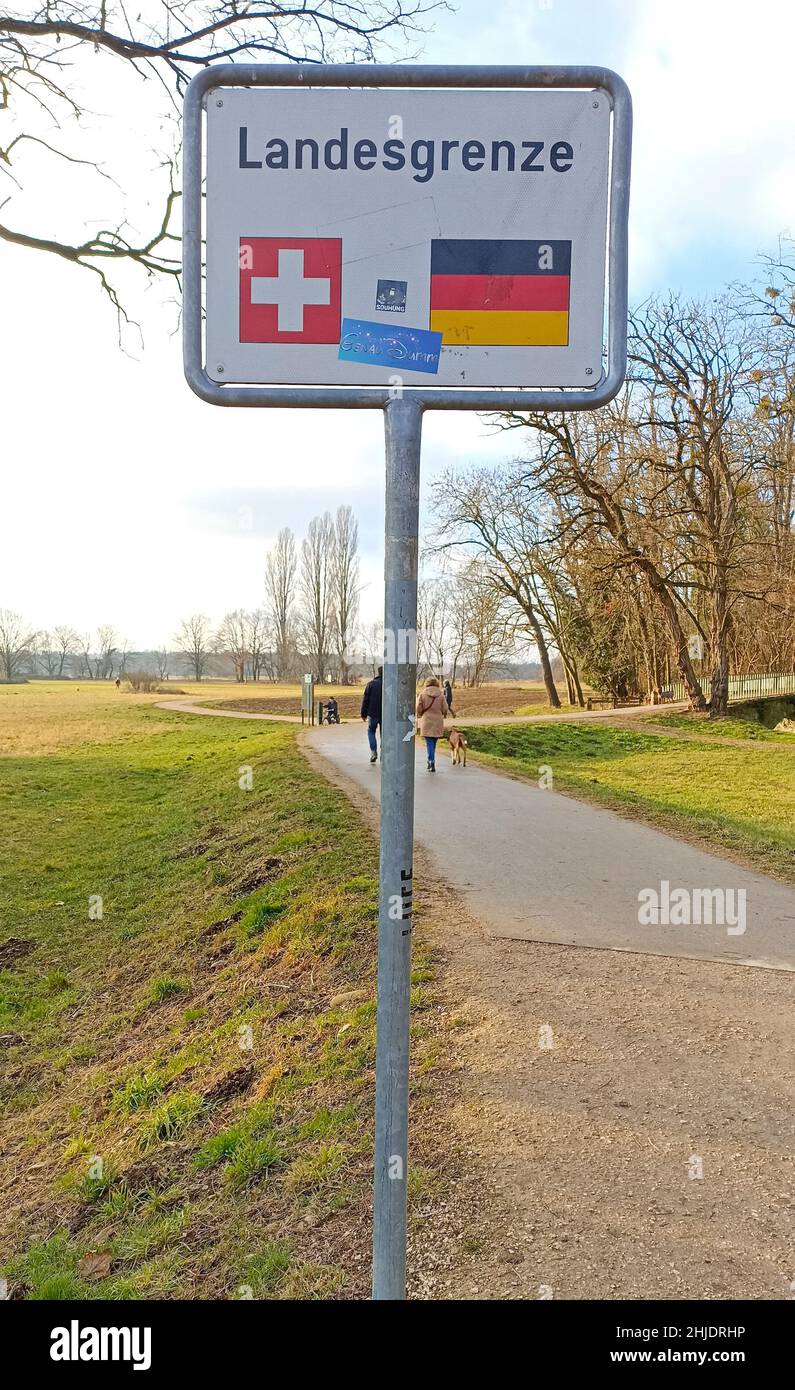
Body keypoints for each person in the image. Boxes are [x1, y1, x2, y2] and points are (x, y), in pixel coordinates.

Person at [416, 675, 449, 773]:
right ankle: (431, 759)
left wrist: (420, 713)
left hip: (427, 720)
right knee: (433, 741)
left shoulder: (423, 694)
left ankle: (431, 761)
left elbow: (418, 706)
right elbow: (445, 708)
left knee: (429, 741)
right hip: (438, 720)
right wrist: (442, 713)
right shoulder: (441, 695)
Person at [360, 666, 383, 763]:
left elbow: (365, 700)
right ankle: (384, 753)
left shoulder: (371, 684)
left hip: (373, 713)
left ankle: (373, 751)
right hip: (385, 714)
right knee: (385, 734)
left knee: (371, 731)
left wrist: (363, 713)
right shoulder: (390, 684)